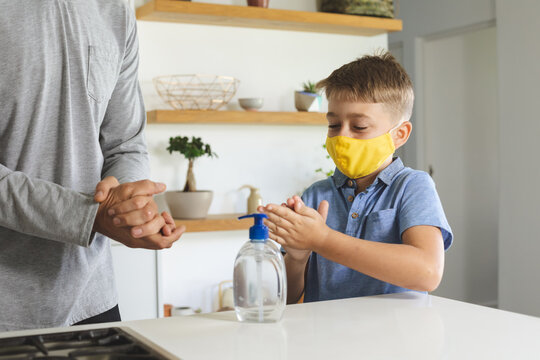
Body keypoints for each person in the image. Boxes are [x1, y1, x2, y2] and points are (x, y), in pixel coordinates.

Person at [0, 0, 184, 331]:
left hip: (92, 302)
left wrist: (131, 207)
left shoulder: (116, 9)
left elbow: (125, 144)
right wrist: (89, 216)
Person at [259, 52, 453, 304]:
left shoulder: (412, 186)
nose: (343, 137)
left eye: (359, 127)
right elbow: (286, 298)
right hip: (327, 337)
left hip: (397, 339)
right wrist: (297, 257)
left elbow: (427, 273)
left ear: (400, 134)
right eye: (333, 125)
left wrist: (323, 239)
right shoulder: (316, 195)